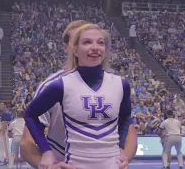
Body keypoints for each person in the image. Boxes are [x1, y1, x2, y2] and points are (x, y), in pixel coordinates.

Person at [20, 20, 137, 169]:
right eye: (85, 41)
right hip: (65, 162)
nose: (94, 47)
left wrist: (122, 156)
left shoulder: (116, 84)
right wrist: (49, 164)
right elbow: (26, 143)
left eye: (99, 42)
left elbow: (129, 133)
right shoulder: (52, 86)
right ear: (70, 48)